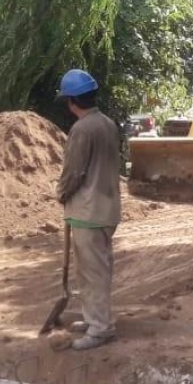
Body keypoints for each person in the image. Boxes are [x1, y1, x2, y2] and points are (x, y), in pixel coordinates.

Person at [56, 69, 122, 351]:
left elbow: (74, 171)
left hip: (88, 210)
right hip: (106, 207)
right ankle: (93, 317)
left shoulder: (82, 130)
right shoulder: (107, 123)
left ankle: (101, 328)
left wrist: (62, 193)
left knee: (93, 271)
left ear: (71, 101)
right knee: (93, 269)